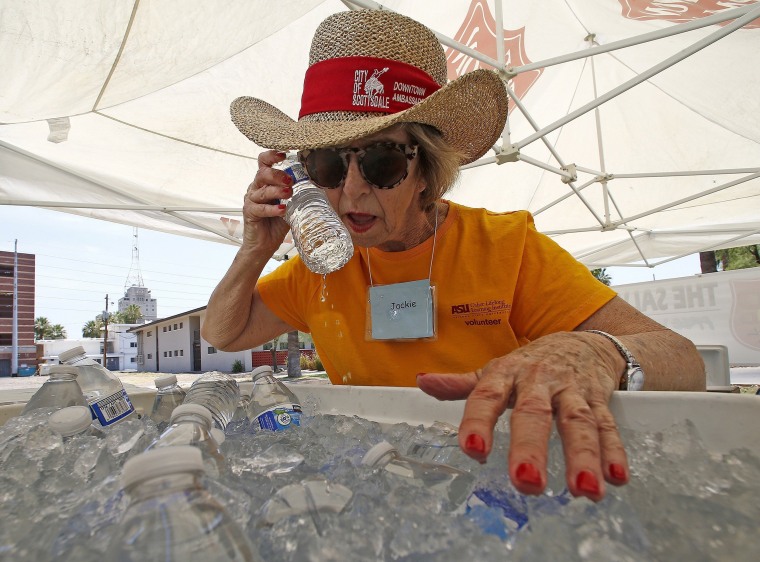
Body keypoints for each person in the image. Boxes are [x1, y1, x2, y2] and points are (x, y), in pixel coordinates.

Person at [203, 9, 705, 502]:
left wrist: (595, 351)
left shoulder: (506, 248)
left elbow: (683, 360)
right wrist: (255, 247)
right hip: (377, 487)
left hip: (499, 488)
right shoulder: (321, 266)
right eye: (329, 164)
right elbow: (222, 333)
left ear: (429, 168)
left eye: (381, 161)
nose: (352, 192)